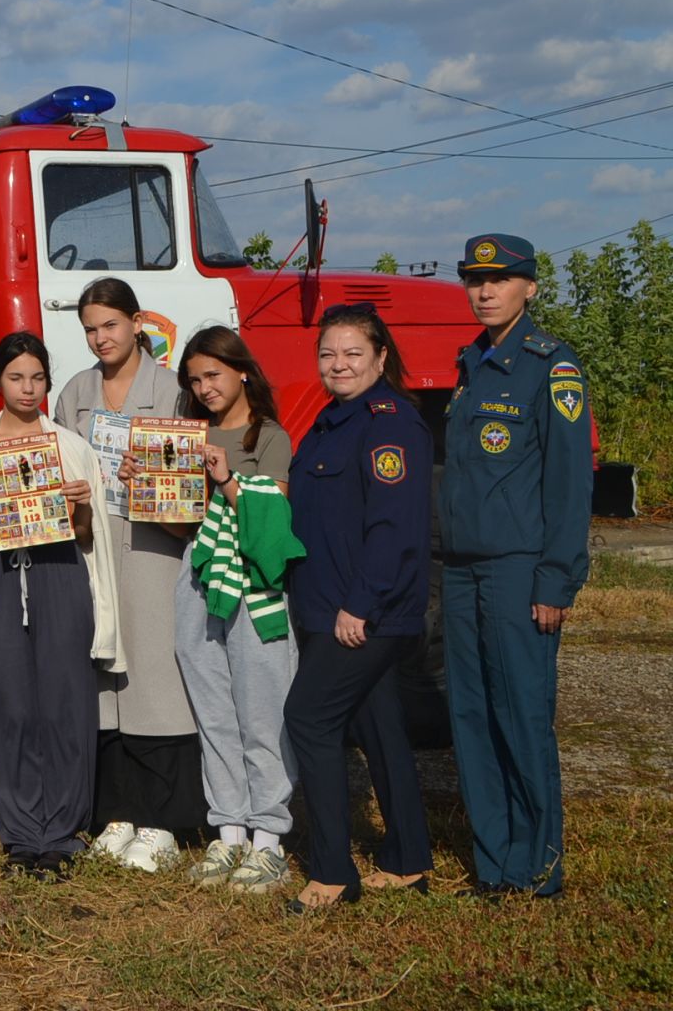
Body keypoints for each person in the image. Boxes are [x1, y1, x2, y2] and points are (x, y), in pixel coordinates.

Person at [442, 233, 593, 898]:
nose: (485, 290)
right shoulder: (471, 363)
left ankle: (538, 867)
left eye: (500, 280)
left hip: (517, 570)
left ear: (530, 287)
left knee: (522, 715)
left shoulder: (550, 367)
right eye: (475, 279)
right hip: (462, 569)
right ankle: (496, 865)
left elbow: (568, 485)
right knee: (471, 718)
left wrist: (556, 578)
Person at [283, 305, 434, 914]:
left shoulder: (389, 422)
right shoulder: (330, 421)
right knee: (379, 725)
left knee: (309, 719)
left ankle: (332, 873)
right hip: (327, 608)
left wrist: (360, 606)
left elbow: (394, 529)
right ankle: (406, 859)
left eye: (351, 353)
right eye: (328, 354)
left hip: (362, 615)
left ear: (379, 357)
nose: (338, 364)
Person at [52, 278, 202, 873]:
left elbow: (188, 490)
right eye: (89, 328)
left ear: (137, 322)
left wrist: (155, 477)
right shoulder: (75, 392)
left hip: (152, 549)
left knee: (154, 675)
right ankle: (115, 810)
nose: (100, 338)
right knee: (102, 680)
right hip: (93, 549)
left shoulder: (169, 389)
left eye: (110, 325)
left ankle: (164, 818)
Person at [0, 331, 118, 881]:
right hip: (4, 581)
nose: (27, 389)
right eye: (16, 377)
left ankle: (61, 832)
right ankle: (20, 834)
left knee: (65, 703)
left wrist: (79, 505)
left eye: (37, 378)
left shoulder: (71, 445)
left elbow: (86, 537)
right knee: (8, 705)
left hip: (60, 577)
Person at [172, 326, 306, 895]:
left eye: (213, 374)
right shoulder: (184, 435)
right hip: (199, 573)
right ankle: (228, 831)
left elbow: (272, 515)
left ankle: (270, 838)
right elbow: (180, 518)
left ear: (242, 370)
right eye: (195, 379)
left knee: (262, 706)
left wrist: (225, 477)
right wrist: (146, 485)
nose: (204, 387)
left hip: (256, 582)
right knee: (213, 707)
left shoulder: (270, 435)